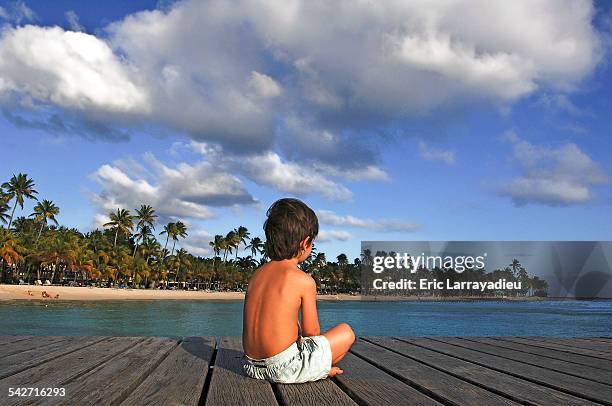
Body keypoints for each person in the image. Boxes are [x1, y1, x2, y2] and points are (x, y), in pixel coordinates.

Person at [242, 198, 355, 383]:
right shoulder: (304, 280)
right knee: (346, 332)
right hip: (284, 369)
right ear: (305, 243)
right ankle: (318, 371)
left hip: (251, 366)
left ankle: (316, 369)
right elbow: (312, 333)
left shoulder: (257, 275)